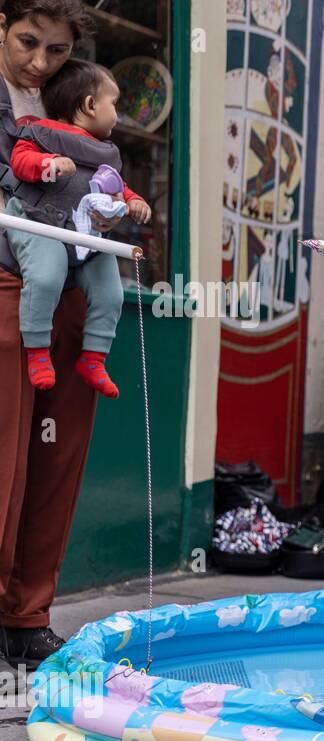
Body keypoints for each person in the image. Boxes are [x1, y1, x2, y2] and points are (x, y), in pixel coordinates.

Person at [0, 0, 128, 669]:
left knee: (58, 454)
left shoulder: (71, 95)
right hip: (7, 278)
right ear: (1, 24)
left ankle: (28, 616)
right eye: (27, 42)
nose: (40, 62)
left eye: (56, 50)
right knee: (6, 457)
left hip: (76, 279)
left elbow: (104, 186)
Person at [7, 58, 149, 397]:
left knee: (110, 290)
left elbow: (117, 187)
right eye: (113, 103)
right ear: (88, 105)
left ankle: (94, 357)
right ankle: (38, 350)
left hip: (86, 238)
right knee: (45, 275)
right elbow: (19, 160)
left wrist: (132, 201)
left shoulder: (107, 153)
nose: (117, 113)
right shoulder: (42, 132)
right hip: (40, 224)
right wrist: (48, 163)